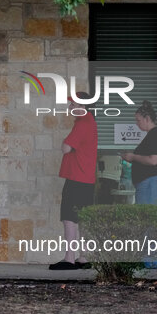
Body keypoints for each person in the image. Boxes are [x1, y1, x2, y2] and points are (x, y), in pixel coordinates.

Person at [49, 92, 98, 270]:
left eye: (73, 104)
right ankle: (83, 257)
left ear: (82, 107)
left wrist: (64, 142)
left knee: (70, 217)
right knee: (81, 218)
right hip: (86, 179)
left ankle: (69, 258)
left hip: (76, 178)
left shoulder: (83, 123)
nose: (70, 108)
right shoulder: (89, 121)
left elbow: (66, 147)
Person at [121, 100, 157, 205]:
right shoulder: (152, 135)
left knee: (147, 217)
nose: (136, 124)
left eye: (138, 120)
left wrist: (133, 157)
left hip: (150, 183)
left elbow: (154, 160)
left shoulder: (154, 135)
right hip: (148, 183)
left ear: (147, 119)